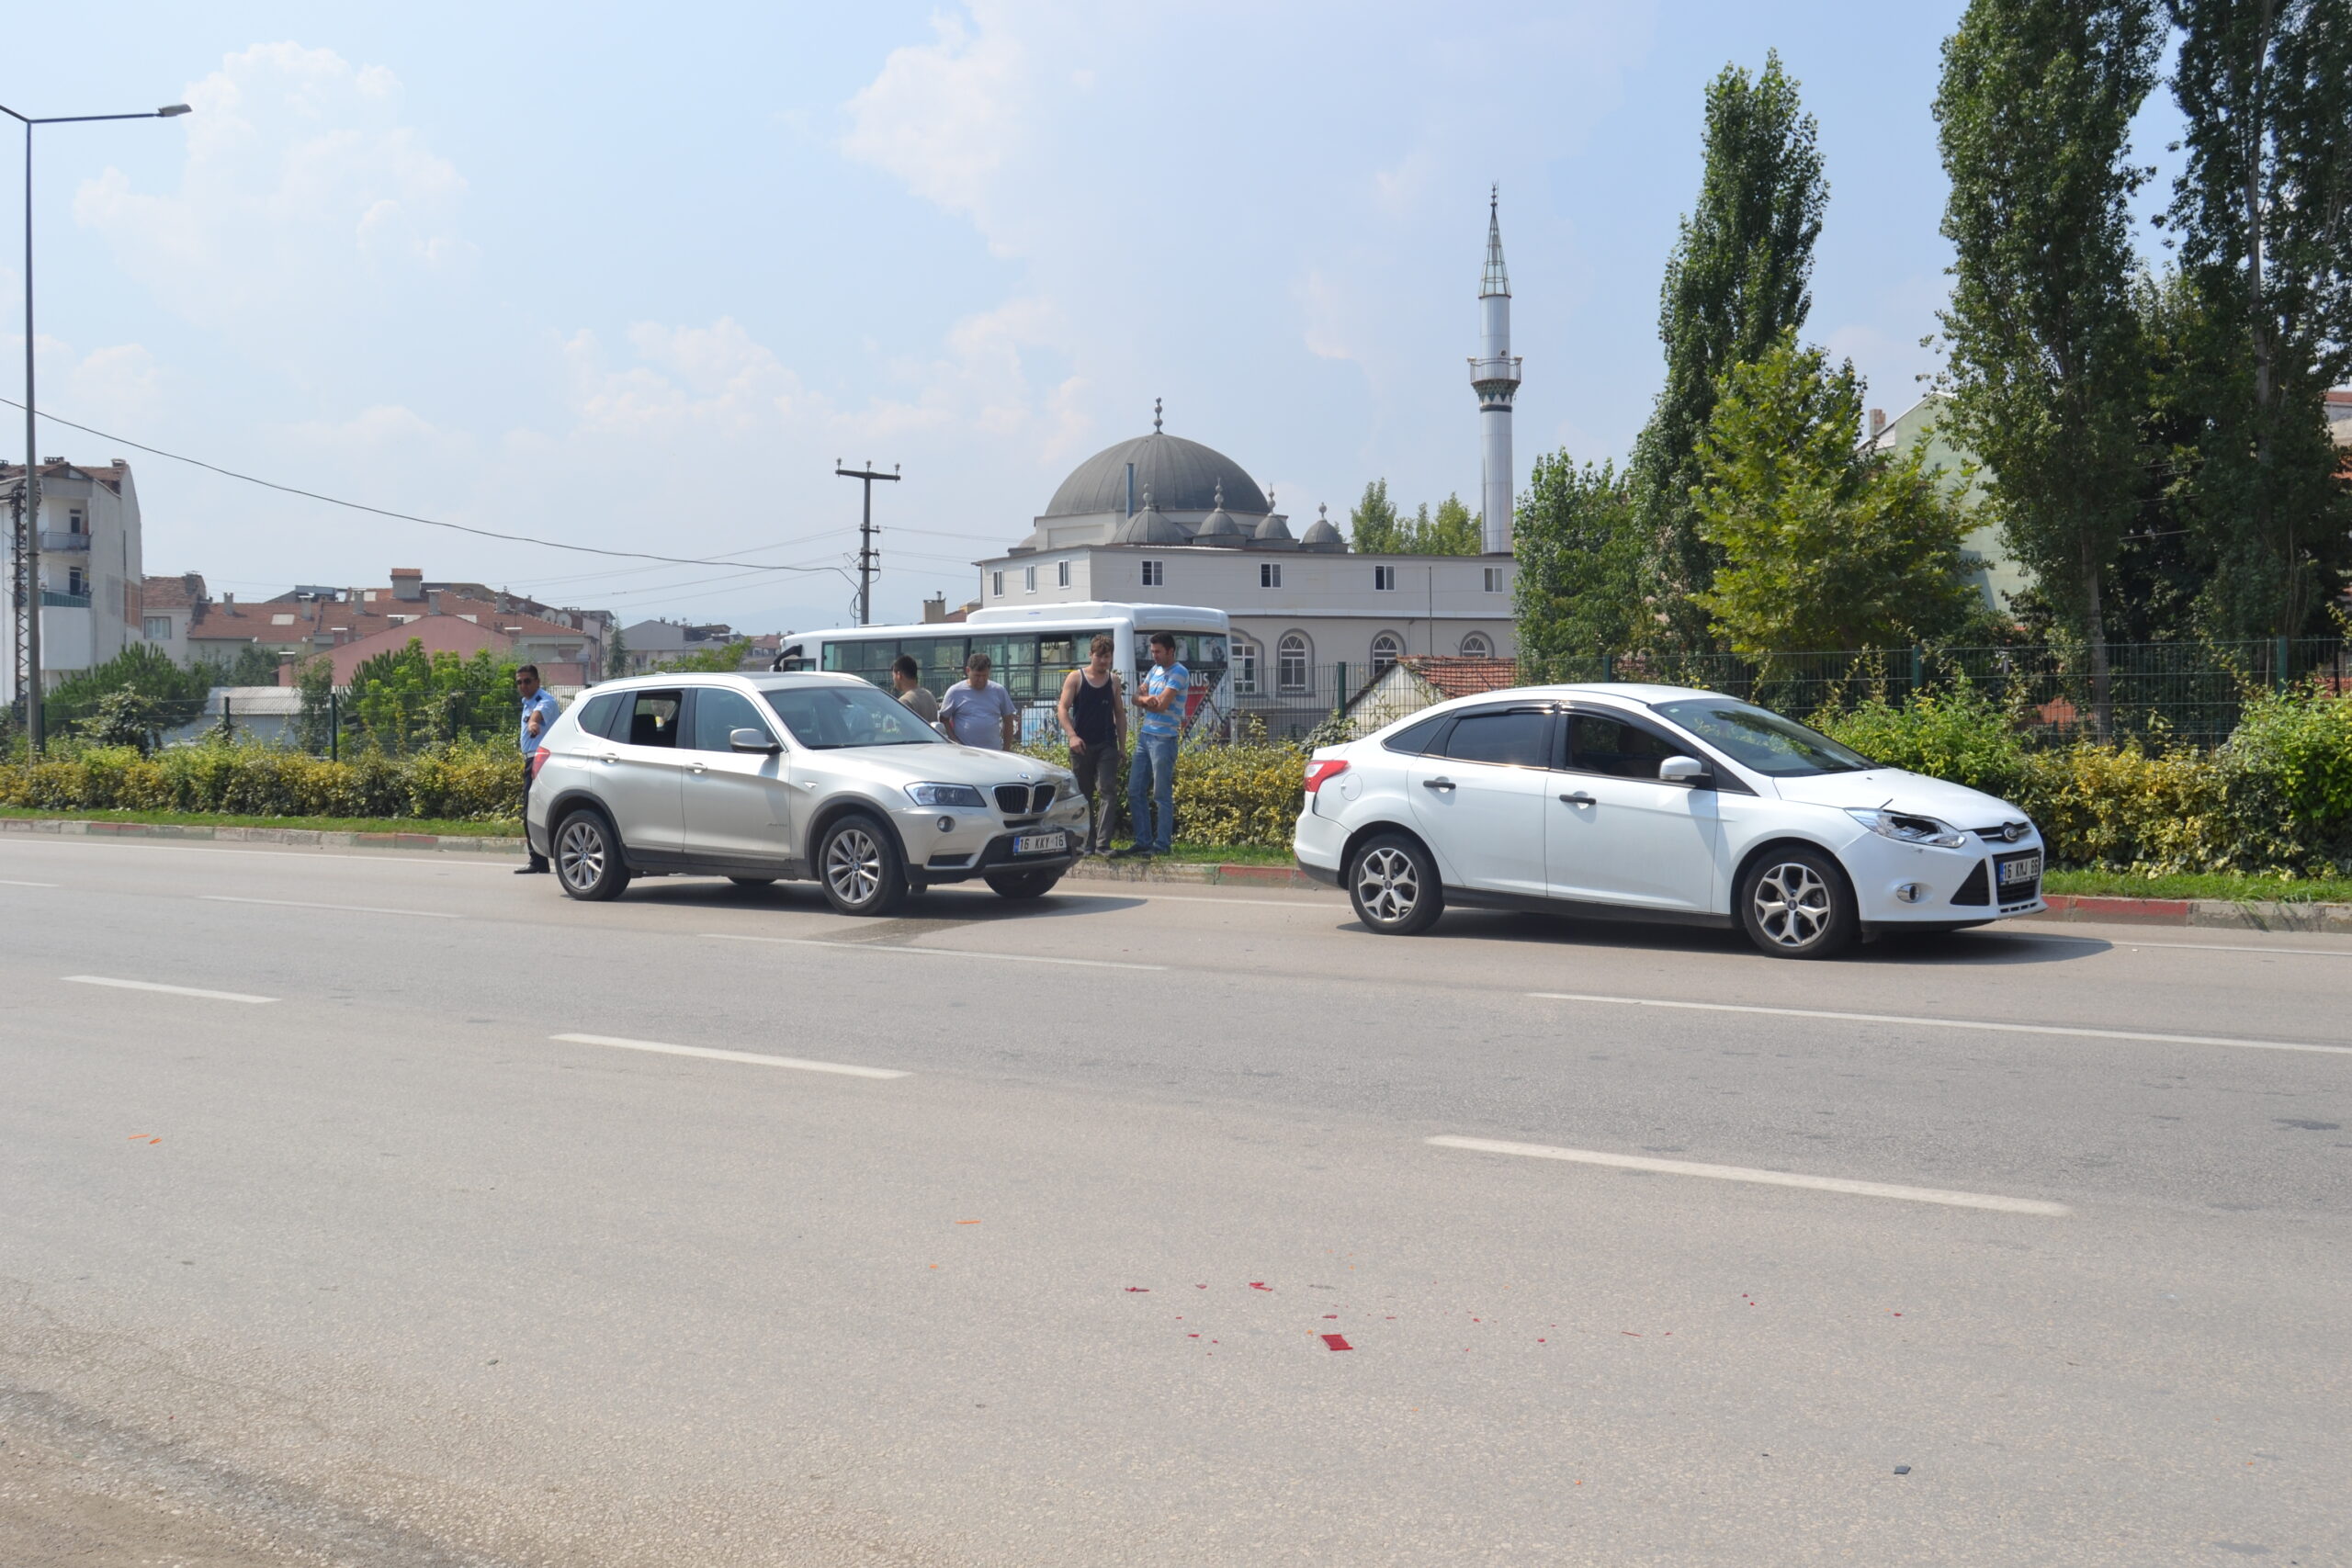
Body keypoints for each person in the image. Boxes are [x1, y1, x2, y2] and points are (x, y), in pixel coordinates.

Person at [1117, 632, 1187, 858]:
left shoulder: (1179, 672)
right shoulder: (1154, 670)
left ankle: (1162, 844)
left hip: (1164, 740)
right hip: (1145, 737)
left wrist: (1144, 700)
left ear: (1170, 651)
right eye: (1152, 651)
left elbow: (1163, 705)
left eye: (1158, 651)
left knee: (1161, 794)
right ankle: (1143, 841)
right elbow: (1135, 698)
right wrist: (1146, 700)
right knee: (1135, 790)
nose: (1154, 655)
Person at [1056, 633, 1126, 853]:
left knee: (1107, 790)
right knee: (1084, 794)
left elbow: (1120, 713)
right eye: (1100, 656)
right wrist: (1072, 736)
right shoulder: (1076, 678)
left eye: (1108, 657)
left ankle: (1102, 844)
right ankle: (1086, 842)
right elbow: (1062, 709)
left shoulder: (1114, 680)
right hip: (1081, 745)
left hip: (1106, 743)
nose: (1104, 661)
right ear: (1091, 655)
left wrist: (1122, 747)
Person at [514, 664, 560, 874]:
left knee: (530, 810)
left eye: (527, 681)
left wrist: (533, 724)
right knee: (532, 809)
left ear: (537, 682)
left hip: (539, 761)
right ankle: (539, 860)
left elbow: (536, 718)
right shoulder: (528, 702)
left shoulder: (545, 701)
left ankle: (538, 859)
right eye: (519, 682)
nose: (523, 685)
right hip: (531, 761)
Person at [938, 651, 1020, 750]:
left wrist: (1006, 749)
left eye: (984, 676)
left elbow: (1008, 720)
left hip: (993, 753)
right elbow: (944, 719)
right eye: (977, 676)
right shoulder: (955, 692)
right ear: (968, 671)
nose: (981, 680)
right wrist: (954, 741)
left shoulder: (999, 691)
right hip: (965, 753)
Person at [891, 654, 940, 727]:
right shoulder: (929, 695)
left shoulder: (905, 701)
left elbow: (904, 730)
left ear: (899, 675)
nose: (893, 679)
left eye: (893, 676)